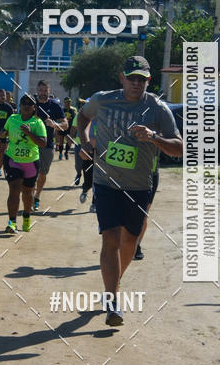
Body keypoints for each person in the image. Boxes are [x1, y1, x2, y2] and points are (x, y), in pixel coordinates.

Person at [77, 56, 182, 326]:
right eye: (131, 78)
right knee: (110, 237)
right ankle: (113, 302)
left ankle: (114, 283)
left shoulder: (158, 109)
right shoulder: (102, 99)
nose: (136, 83)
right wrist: (86, 142)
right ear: (122, 78)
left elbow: (179, 148)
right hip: (106, 181)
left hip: (139, 185)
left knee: (129, 241)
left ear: (149, 81)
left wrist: (153, 137)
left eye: (142, 79)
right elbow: (82, 116)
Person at [0, 94, 46, 234]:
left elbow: (43, 143)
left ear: (34, 107)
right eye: (24, 103)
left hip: (31, 162)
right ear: (19, 106)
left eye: (30, 104)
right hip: (13, 160)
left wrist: (29, 132)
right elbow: (4, 132)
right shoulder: (12, 119)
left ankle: (26, 217)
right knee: (14, 189)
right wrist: (1, 134)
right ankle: (12, 222)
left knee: (27, 192)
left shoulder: (38, 123)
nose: (26, 106)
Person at [33, 80, 68, 211]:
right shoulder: (32, 104)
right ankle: (30, 195)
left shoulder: (54, 105)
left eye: (45, 90)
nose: (42, 93)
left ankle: (37, 196)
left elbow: (65, 125)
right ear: (37, 91)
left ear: (49, 91)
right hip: (31, 144)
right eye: (40, 90)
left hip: (47, 145)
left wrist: (54, 125)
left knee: (42, 173)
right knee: (31, 173)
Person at [134, 155, 160, 260]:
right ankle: (123, 243)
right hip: (126, 174)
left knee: (143, 214)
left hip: (150, 173)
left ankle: (137, 245)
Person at [71, 110, 95, 212]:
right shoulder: (87, 118)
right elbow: (79, 129)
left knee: (99, 179)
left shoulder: (107, 118)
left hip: (103, 152)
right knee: (88, 176)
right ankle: (85, 190)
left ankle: (94, 203)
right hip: (89, 150)